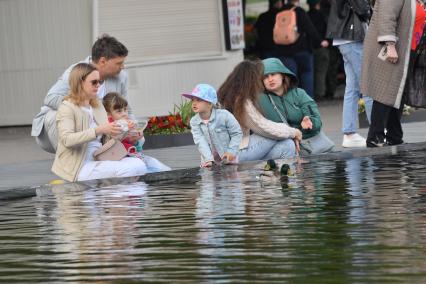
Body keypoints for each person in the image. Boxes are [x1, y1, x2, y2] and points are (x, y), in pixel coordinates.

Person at [32, 34, 134, 154]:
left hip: (101, 126)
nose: (123, 67)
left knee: (134, 132)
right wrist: (85, 107)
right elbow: (50, 98)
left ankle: (109, 157)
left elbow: (127, 108)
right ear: (103, 61)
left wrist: (134, 129)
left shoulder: (121, 76)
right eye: (118, 63)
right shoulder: (75, 72)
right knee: (53, 115)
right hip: (63, 128)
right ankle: (70, 162)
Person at [52, 63, 147, 182]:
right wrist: (98, 130)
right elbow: (67, 139)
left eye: (100, 82)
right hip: (79, 167)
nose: (98, 85)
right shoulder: (67, 107)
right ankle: (113, 198)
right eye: (94, 82)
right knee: (128, 170)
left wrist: (129, 136)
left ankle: (117, 198)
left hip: (100, 158)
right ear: (80, 82)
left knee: (139, 165)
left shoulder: (97, 106)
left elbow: (108, 138)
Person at [362, 0, 426, 147]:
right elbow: (386, 16)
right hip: (393, 49)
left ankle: (394, 136)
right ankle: (375, 136)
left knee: (398, 94)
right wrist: (389, 45)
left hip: (408, 50)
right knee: (385, 91)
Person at [218, 60, 302, 162]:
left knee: (288, 145)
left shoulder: (228, 96)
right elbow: (264, 127)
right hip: (233, 154)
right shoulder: (240, 100)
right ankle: (268, 175)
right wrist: (294, 132)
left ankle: (264, 175)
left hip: (234, 152)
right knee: (273, 135)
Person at [259, 57, 331, 155]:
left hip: (307, 144)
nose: (270, 79)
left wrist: (310, 123)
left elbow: (317, 120)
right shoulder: (260, 100)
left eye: (273, 74)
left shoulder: (299, 94)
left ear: (282, 75)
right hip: (282, 145)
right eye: (265, 77)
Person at [326, 0, 374, 148]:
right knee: (367, 85)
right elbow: (362, 8)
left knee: (352, 88)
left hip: (345, 38)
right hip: (352, 36)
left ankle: (350, 133)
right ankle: (377, 131)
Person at [102, 92, 171, 172]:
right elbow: (113, 141)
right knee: (151, 167)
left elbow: (136, 145)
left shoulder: (127, 122)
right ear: (109, 114)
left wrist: (137, 137)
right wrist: (127, 133)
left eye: (125, 110)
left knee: (158, 166)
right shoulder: (111, 126)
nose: (124, 114)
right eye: (119, 111)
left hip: (132, 154)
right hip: (121, 157)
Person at [182, 84, 243, 168]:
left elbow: (237, 133)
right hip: (209, 161)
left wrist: (231, 151)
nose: (194, 103)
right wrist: (208, 159)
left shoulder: (224, 116)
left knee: (230, 178)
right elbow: (200, 141)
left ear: (209, 104)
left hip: (228, 158)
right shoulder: (194, 121)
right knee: (209, 179)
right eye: (193, 100)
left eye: (199, 100)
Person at [307, 0, 331, 100]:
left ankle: (311, 93)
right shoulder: (323, 16)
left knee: (309, 72)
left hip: (309, 48)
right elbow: (329, 30)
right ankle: (320, 94)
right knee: (321, 71)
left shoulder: (306, 15)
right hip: (322, 47)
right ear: (318, 4)